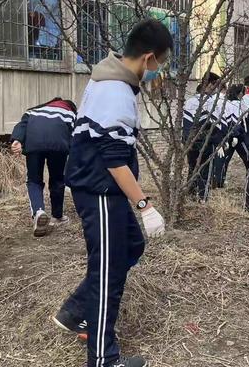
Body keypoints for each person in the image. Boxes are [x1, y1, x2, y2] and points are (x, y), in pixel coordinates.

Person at [53, 19, 172, 367]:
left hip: (101, 187)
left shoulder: (109, 77)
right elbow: (115, 161)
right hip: (101, 190)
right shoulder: (116, 92)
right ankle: (103, 358)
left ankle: (76, 310)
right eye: (160, 64)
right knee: (106, 268)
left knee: (131, 246)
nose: (159, 71)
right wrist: (145, 205)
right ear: (148, 58)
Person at [11, 97, 77, 237]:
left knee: (34, 180)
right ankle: (57, 216)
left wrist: (17, 140)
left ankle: (38, 211)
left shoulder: (33, 111)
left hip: (34, 144)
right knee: (57, 179)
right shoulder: (69, 112)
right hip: (58, 144)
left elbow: (22, 125)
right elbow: (75, 135)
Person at [183, 72, 226, 201]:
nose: (217, 89)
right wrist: (219, 143)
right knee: (205, 172)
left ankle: (190, 196)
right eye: (216, 86)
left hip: (191, 143)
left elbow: (185, 125)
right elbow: (219, 126)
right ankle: (202, 199)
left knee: (192, 169)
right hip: (207, 142)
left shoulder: (190, 101)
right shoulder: (213, 103)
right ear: (211, 84)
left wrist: (185, 142)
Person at [214, 83, 249, 188]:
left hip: (228, 134)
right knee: (248, 158)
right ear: (240, 93)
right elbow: (236, 121)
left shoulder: (227, 103)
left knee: (224, 159)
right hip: (238, 136)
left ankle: (219, 181)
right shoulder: (237, 104)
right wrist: (236, 135)